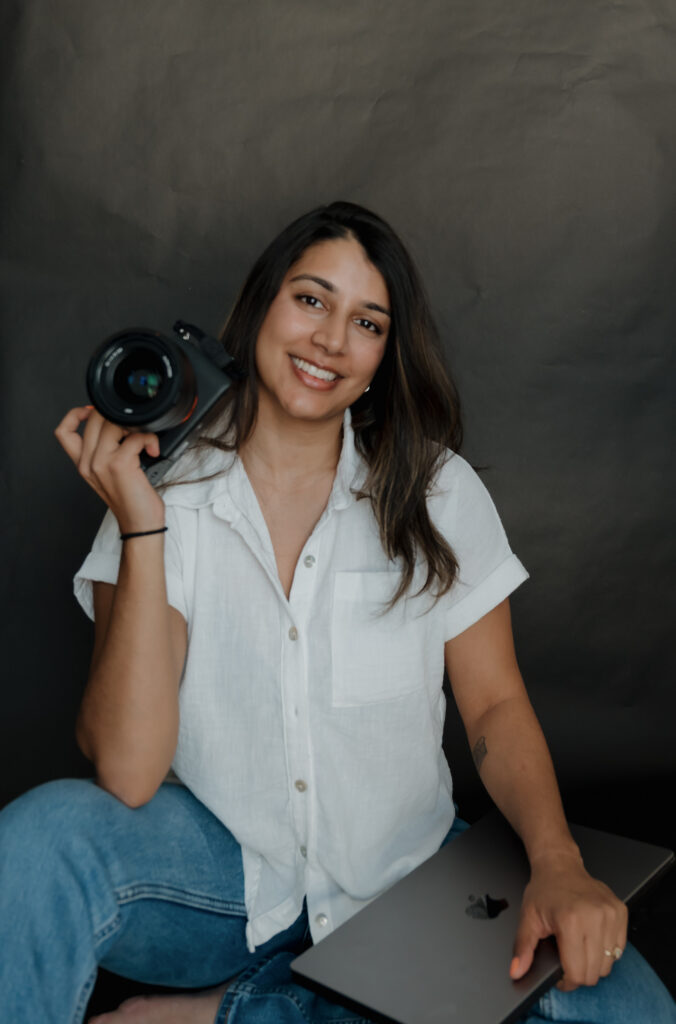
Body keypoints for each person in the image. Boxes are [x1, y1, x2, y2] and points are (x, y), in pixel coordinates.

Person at [0, 201, 673, 1024]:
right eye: (311, 300)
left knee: (631, 1010)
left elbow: (494, 705)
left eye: (367, 322)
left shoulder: (438, 490)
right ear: (262, 307)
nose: (330, 341)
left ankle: (228, 1013)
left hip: (404, 875)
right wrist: (142, 524)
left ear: (384, 355)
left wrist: (557, 863)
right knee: (33, 845)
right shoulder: (159, 489)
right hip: (218, 879)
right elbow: (130, 770)